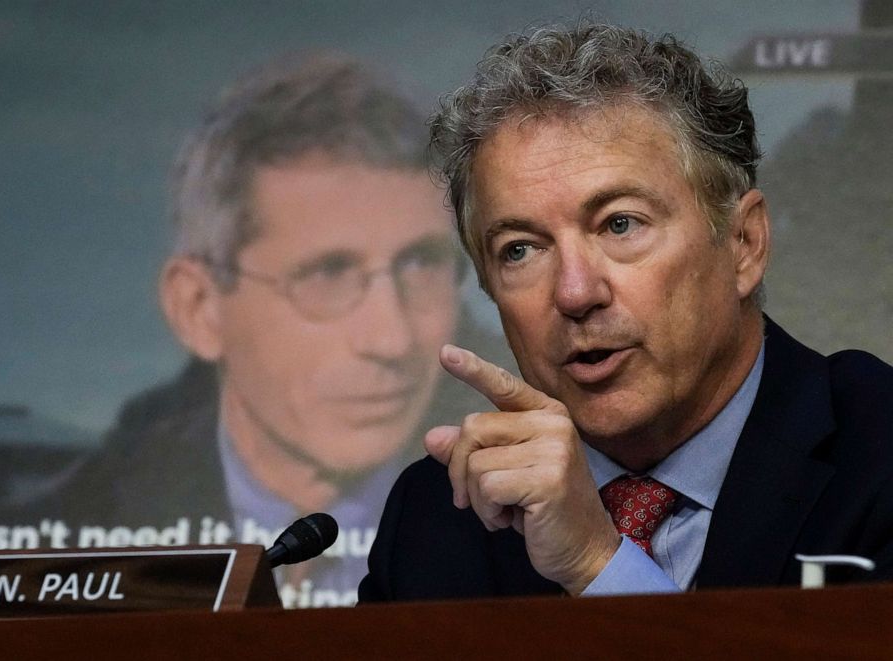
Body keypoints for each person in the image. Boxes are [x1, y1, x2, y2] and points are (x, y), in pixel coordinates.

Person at [359, 23, 893, 601]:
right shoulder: (441, 516)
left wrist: (598, 565)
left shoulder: (879, 454)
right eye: (520, 249)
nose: (574, 293)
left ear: (744, 243)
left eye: (620, 223)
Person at [0, 53, 510, 608]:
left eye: (421, 265)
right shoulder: (32, 556)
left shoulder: (533, 520)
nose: (392, 340)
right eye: (327, 274)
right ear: (199, 308)